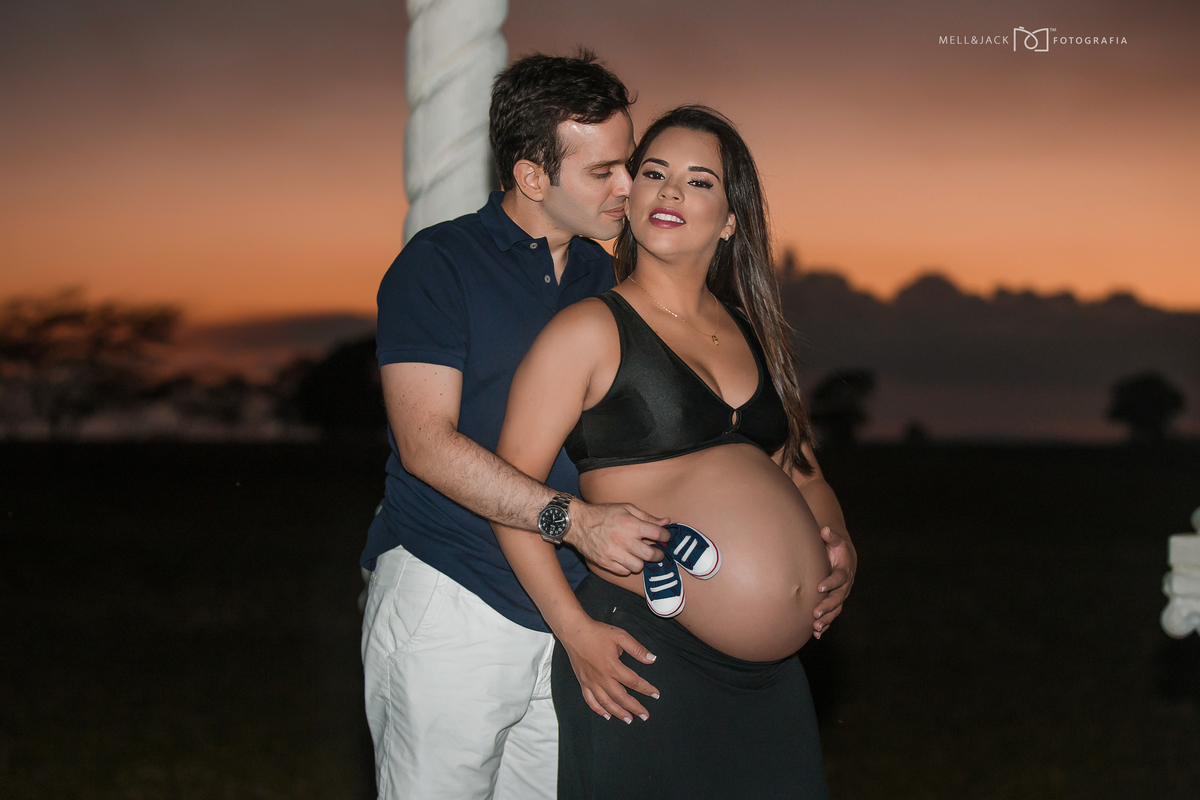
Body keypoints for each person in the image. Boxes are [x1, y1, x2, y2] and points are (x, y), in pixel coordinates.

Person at [491, 105, 857, 798]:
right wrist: (575, 633)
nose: (670, 192)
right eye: (654, 173)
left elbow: (805, 477)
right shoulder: (588, 331)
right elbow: (510, 497)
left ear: (731, 219)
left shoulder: (755, 335)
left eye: (699, 181)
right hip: (643, 660)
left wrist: (841, 551)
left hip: (772, 680)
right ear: (629, 197)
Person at [360, 53, 675, 800]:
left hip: (574, 609)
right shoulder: (439, 265)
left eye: (628, 163)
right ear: (532, 176)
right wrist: (576, 522)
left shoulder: (607, 279)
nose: (628, 187)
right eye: (601, 172)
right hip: (451, 595)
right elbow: (426, 445)